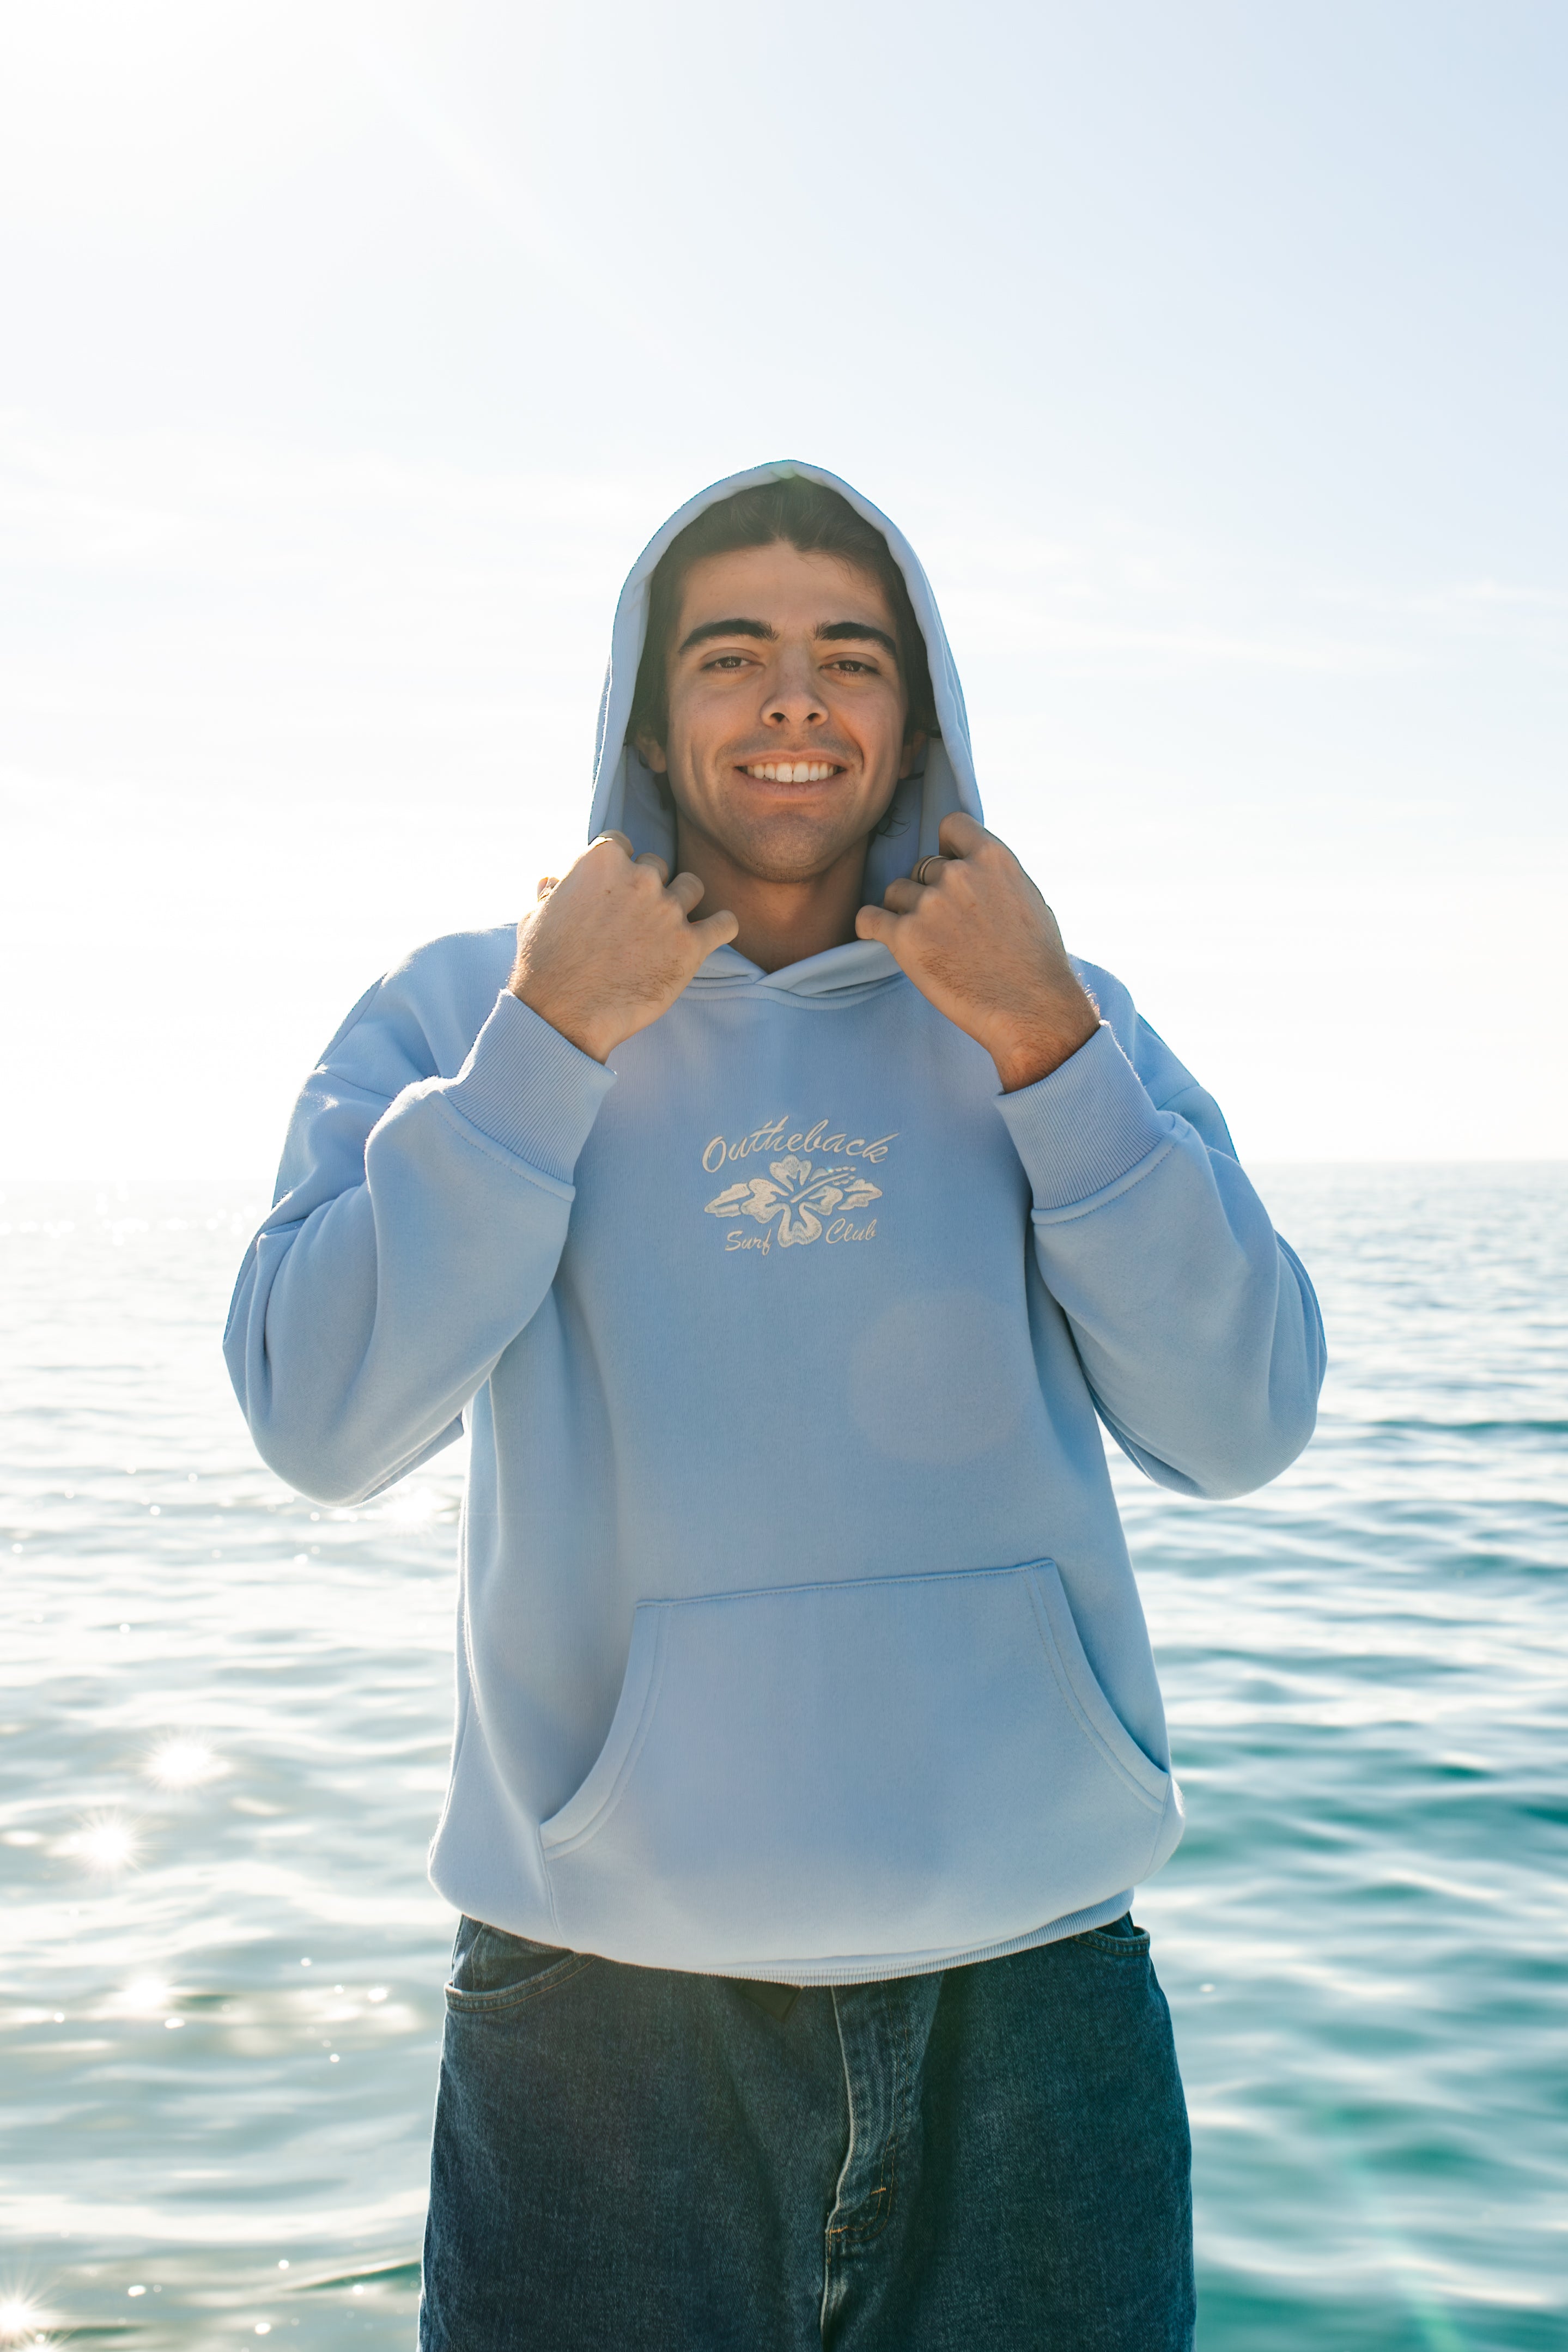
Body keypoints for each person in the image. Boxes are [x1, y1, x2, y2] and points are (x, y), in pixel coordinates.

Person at [226, 462, 1324, 2350]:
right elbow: (319, 1422)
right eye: (732, 654)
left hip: (1037, 2019)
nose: (795, 700)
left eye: (851, 656)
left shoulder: (1064, 1012)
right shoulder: (460, 1012)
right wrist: (550, 1043)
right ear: (652, 717)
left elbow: (1243, 1421)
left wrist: (1048, 1047)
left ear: (916, 714)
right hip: (598, 2038)